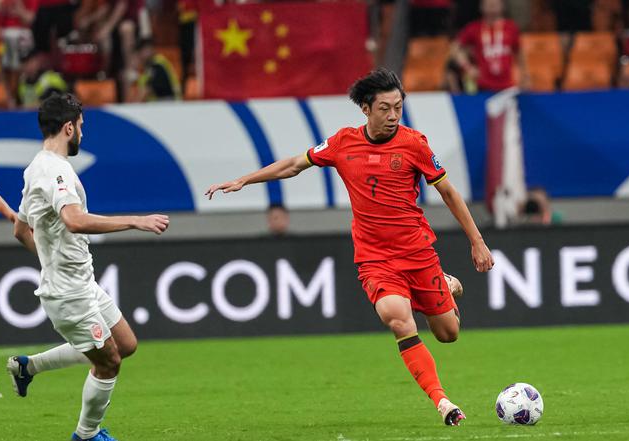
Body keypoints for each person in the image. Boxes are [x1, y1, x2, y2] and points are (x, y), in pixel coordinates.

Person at [206, 68, 493, 426]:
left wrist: (477, 242)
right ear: (366, 109)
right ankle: (443, 402)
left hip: (417, 252)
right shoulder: (342, 143)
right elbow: (294, 165)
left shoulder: (414, 144)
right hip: (375, 258)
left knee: (448, 334)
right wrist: (244, 180)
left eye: (398, 107)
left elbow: (448, 192)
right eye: (385, 108)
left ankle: (445, 285)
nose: (393, 115)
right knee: (397, 318)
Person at [8, 93, 170, 441]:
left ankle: (28, 367)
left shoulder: (36, 167)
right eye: (81, 126)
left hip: (82, 283)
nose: (83, 133)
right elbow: (75, 220)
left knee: (125, 344)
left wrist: (51, 262)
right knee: (108, 362)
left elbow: (21, 230)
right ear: (69, 128)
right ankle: (86, 435)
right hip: (69, 293)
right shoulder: (56, 170)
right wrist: (136, 221)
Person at [450, 0, 529, 93]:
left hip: (507, 85)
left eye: (495, 4)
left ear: (502, 6)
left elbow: (519, 52)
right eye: (488, 4)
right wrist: (468, 67)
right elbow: (454, 48)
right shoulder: (474, 28)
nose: (492, 7)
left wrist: (524, 75)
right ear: (481, 7)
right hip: (483, 86)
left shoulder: (511, 27)